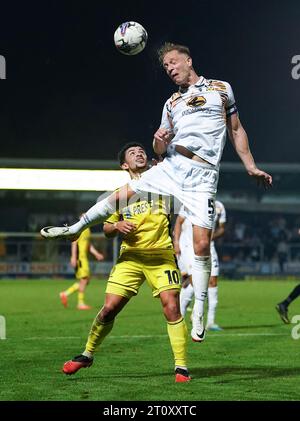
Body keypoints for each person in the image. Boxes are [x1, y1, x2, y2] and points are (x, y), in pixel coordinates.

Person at [40, 42, 272, 344]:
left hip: (203, 177)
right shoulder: (171, 103)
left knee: (202, 245)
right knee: (124, 192)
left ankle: (199, 307)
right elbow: (159, 150)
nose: (171, 69)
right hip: (173, 166)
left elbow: (237, 129)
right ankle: (75, 228)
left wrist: (250, 166)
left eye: (174, 63)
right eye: (166, 67)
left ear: (188, 60)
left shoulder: (220, 88)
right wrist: (159, 141)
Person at [61, 143, 190, 383]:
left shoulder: (163, 185)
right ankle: (87, 354)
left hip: (160, 255)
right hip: (130, 257)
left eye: (141, 151)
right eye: (132, 153)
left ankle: (181, 367)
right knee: (109, 308)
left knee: (171, 306)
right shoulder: (119, 195)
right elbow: (107, 229)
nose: (139, 153)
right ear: (124, 165)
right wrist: (117, 226)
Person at [174, 201, 226, 332]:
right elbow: (178, 223)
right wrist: (176, 243)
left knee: (212, 282)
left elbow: (222, 228)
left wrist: (211, 237)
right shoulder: (190, 201)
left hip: (209, 247)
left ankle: (210, 322)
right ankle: (180, 317)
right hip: (189, 247)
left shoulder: (218, 206)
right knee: (193, 282)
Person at [59, 226, 104, 310]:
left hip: (84, 259)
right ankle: (80, 303)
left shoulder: (88, 230)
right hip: (80, 259)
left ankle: (65, 294)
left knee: (86, 281)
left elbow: (88, 244)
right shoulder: (81, 228)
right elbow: (74, 242)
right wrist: (73, 257)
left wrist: (96, 254)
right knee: (84, 280)